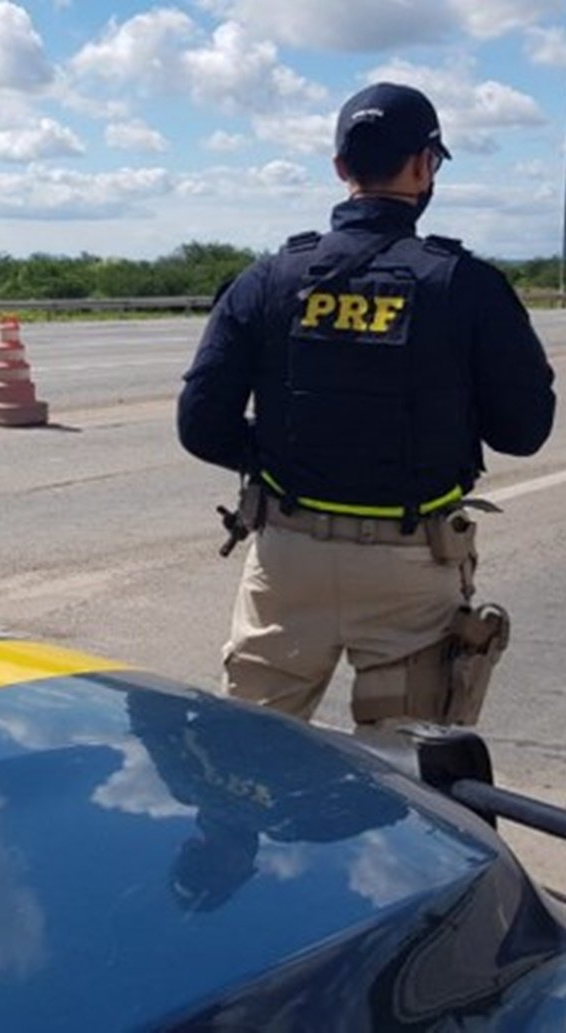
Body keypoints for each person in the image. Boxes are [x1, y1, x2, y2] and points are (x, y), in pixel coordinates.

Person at [177, 82, 555, 727]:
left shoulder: (269, 277)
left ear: (339, 169)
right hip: (412, 567)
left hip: (287, 558)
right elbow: (523, 432)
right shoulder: (466, 285)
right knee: (408, 781)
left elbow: (201, 424)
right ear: (424, 164)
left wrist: (276, 456)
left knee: (249, 762)